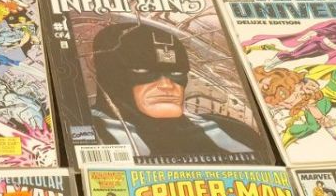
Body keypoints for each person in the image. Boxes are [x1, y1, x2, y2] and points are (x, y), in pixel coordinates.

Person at [88, 21, 261, 161]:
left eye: (176, 73)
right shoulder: (89, 133)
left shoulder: (233, 132)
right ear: (110, 74)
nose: (166, 85)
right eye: (143, 71)